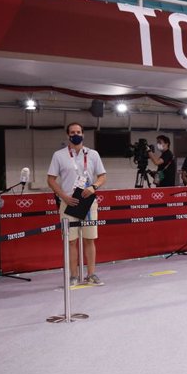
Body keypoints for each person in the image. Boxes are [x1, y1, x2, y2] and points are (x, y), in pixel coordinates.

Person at [47, 122, 107, 286]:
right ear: (68, 135)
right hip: (68, 203)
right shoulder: (59, 155)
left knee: (89, 239)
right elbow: (50, 180)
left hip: (88, 203)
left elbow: (102, 176)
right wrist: (64, 197)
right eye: (72, 132)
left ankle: (91, 274)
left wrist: (93, 187)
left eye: (78, 131)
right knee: (71, 241)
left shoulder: (93, 154)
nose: (76, 134)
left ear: (83, 134)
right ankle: (73, 276)